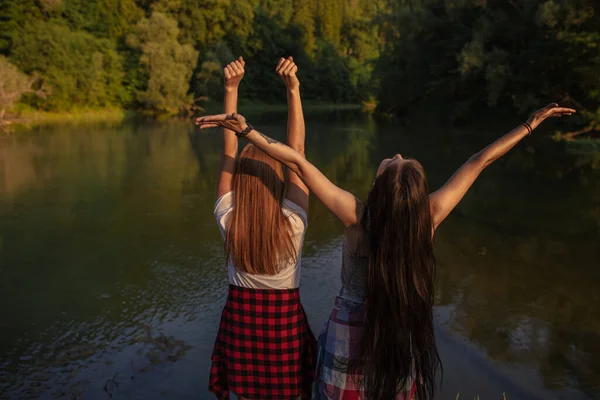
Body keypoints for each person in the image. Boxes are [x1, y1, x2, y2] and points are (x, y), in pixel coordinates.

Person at [197, 103, 575, 400]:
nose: (395, 154)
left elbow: (297, 161)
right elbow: (480, 160)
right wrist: (529, 125)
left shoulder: (356, 216)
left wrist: (247, 131)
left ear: (381, 186)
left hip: (348, 340)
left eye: (394, 162)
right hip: (399, 342)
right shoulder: (428, 217)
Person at [208, 56, 316, 400]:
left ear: (242, 180)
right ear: (278, 178)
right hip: (283, 332)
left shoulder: (229, 217)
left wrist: (230, 89)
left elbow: (228, 153)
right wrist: (293, 90)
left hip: (241, 331)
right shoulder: (293, 224)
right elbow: (296, 153)